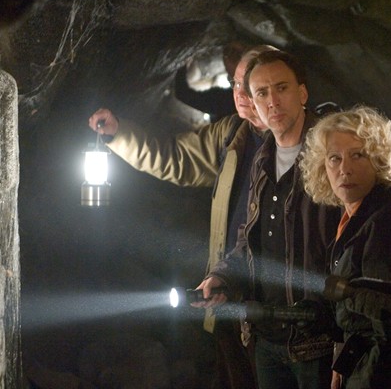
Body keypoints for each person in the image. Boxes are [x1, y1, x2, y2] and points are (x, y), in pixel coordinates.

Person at [88, 44, 278, 389]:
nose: (241, 95)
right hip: (230, 294)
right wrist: (119, 134)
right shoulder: (232, 134)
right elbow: (177, 157)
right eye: (236, 84)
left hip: (280, 303)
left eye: (253, 86)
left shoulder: (308, 142)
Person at [196, 50, 339, 389]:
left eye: (281, 88)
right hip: (267, 337)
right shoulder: (262, 158)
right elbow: (249, 239)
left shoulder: (333, 155)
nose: (272, 101)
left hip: (318, 341)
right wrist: (222, 277)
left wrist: (346, 339)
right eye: (262, 93)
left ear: (302, 93)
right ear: (252, 103)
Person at [300, 105, 391, 388]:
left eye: (357, 155)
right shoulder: (357, 217)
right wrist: (343, 365)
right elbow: (360, 323)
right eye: (334, 158)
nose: (344, 169)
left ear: (380, 160)